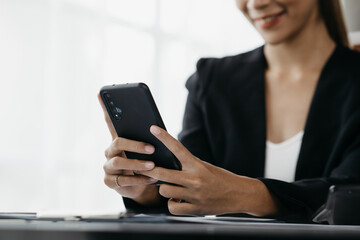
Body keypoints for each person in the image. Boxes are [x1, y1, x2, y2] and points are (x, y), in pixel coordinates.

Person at [98, 0, 360, 222]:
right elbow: (187, 183)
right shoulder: (212, 81)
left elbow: (350, 196)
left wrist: (244, 194)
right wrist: (145, 189)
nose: (256, 4)